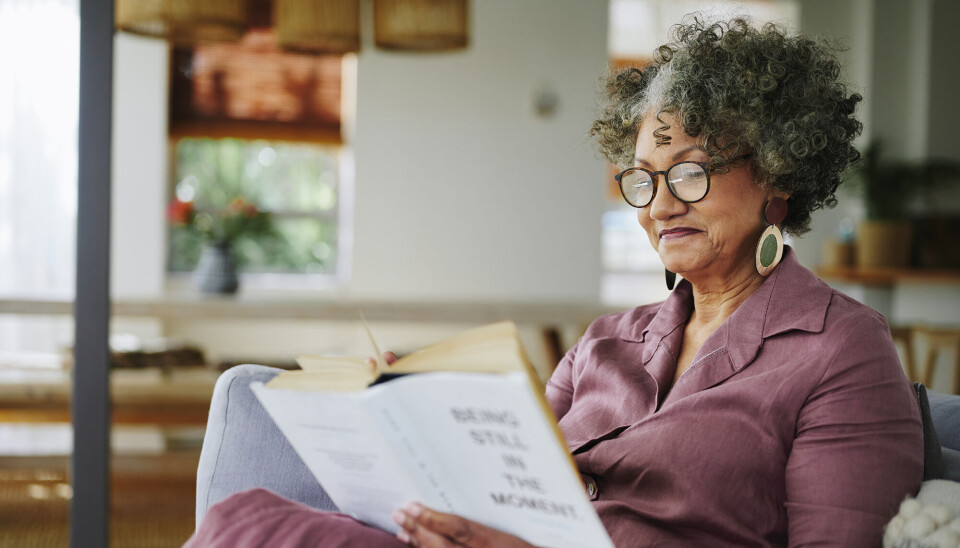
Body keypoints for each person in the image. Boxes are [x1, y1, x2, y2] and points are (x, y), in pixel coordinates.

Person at [186, 18, 922, 548]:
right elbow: (508, 483)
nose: (662, 203)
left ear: (779, 177)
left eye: (692, 172)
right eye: (644, 179)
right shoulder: (606, 342)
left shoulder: (842, 351)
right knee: (244, 518)